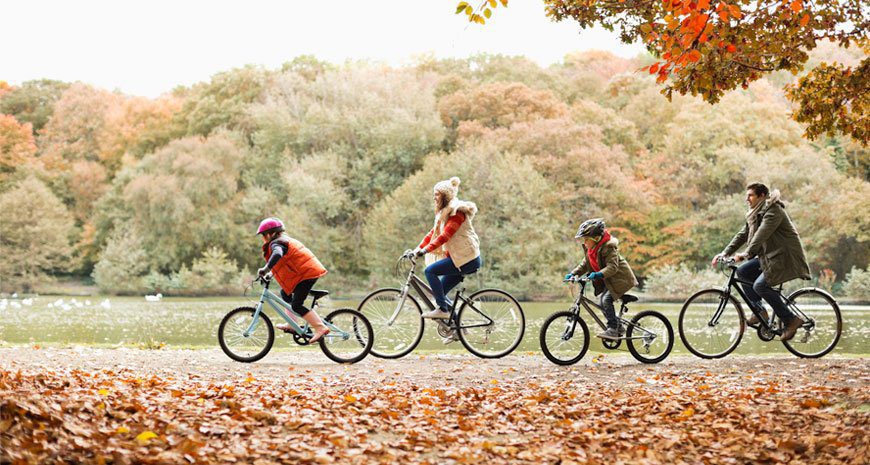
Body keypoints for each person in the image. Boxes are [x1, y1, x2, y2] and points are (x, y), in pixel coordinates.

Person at [712, 183, 811, 341]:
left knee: (760, 285)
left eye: (750, 195)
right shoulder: (755, 214)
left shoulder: (774, 211)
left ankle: (791, 320)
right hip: (770, 256)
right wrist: (725, 252)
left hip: (784, 257)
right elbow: (744, 234)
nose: (747, 199)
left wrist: (745, 254)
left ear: (762, 196)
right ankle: (760, 311)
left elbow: (761, 235)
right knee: (742, 272)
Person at [410, 177, 482, 320]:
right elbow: (433, 234)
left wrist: (426, 250)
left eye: (437, 194)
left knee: (430, 271)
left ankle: (443, 310)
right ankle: (457, 330)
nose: (434, 197)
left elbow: (445, 236)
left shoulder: (457, 213)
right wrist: (417, 249)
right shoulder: (444, 213)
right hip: (458, 259)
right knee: (439, 293)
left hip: (467, 259)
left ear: (445, 196)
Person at [256, 217, 330, 343]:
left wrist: (266, 268)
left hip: (306, 273)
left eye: (264, 235)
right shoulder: (282, 241)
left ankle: (320, 327)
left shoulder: (277, 243)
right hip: (305, 272)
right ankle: (292, 325)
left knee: (296, 305)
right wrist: (270, 274)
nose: (264, 238)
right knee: (285, 293)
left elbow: (277, 255)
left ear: (271, 234)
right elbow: (285, 262)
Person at [567, 218, 639, 339]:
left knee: (606, 300)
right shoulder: (592, 250)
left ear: (596, 238)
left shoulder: (609, 248)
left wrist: (598, 274)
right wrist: (573, 273)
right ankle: (618, 326)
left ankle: (612, 329)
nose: (584, 243)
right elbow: (585, 265)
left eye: (586, 239)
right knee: (601, 302)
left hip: (621, 280)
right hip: (610, 281)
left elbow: (613, 267)